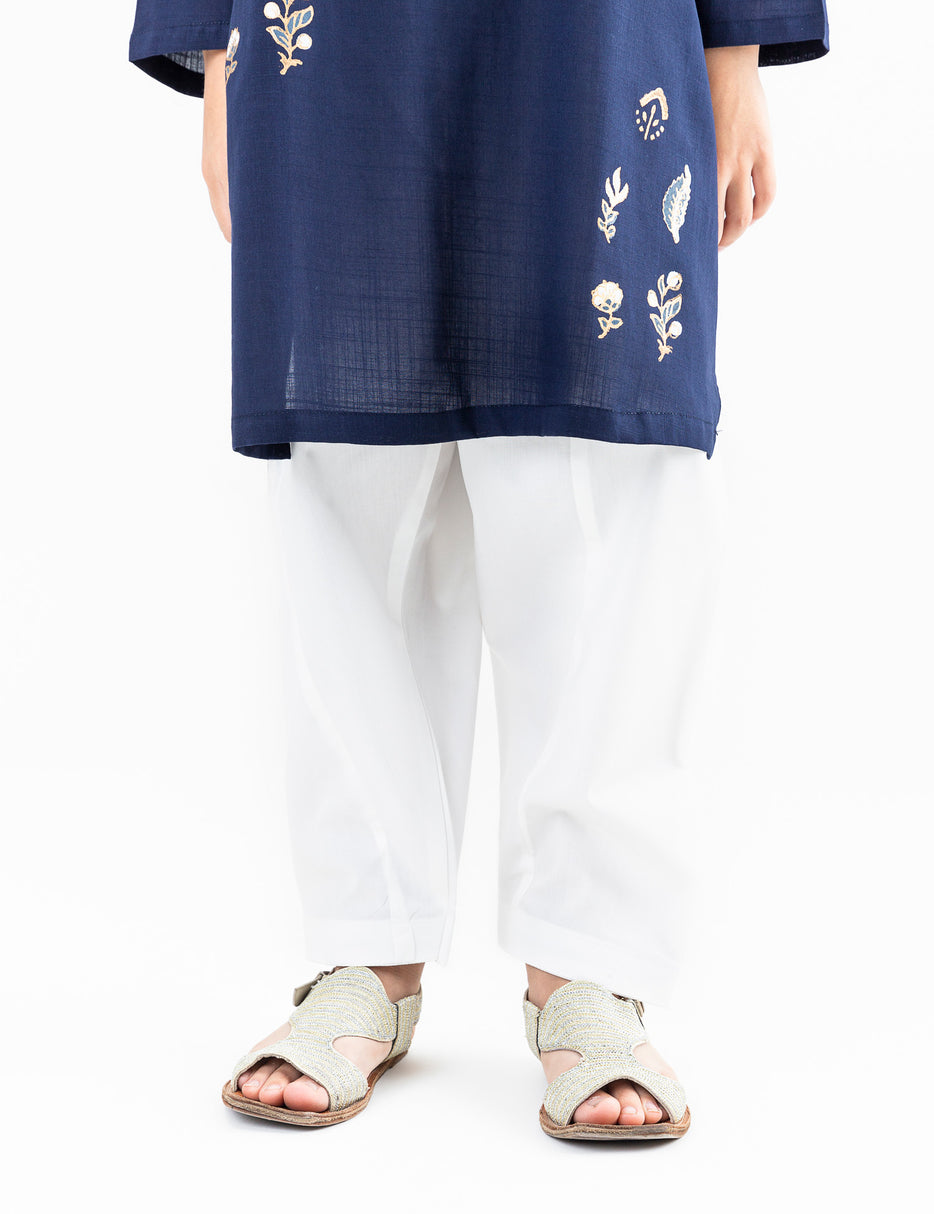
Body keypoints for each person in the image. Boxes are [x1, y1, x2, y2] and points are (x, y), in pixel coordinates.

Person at [128, 1, 830, 1140]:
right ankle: (366, 945)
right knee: (350, 479)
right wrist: (217, 55)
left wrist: (738, 52)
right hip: (329, 46)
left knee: (598, 478)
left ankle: (590, 962)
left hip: (596, 37)